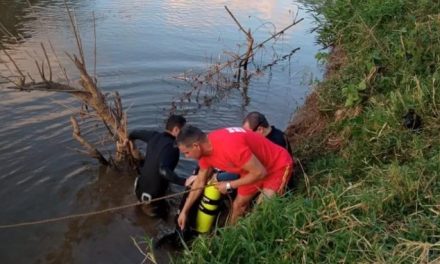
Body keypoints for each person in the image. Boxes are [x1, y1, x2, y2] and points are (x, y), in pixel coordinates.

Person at [176, 125, 293, 229]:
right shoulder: (205, 153)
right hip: (250, 169)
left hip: (277, 166)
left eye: (186, 152)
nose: (186, 157)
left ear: (196, 146)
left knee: (261, 211)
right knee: (238, 205)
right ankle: (230, 234)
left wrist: (228, 185)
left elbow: (260, 173)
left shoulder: (230, 147)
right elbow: (200, 181)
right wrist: (184, 211)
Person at [128, 114, 191, 218]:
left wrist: (130, 140)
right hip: (153, 198)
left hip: (139, 190)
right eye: (183, 131)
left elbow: (134, 133)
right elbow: (163, 170)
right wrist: (184, 181)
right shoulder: (172, 147)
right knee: (162, 219)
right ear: (176, 130)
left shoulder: (153, 136)